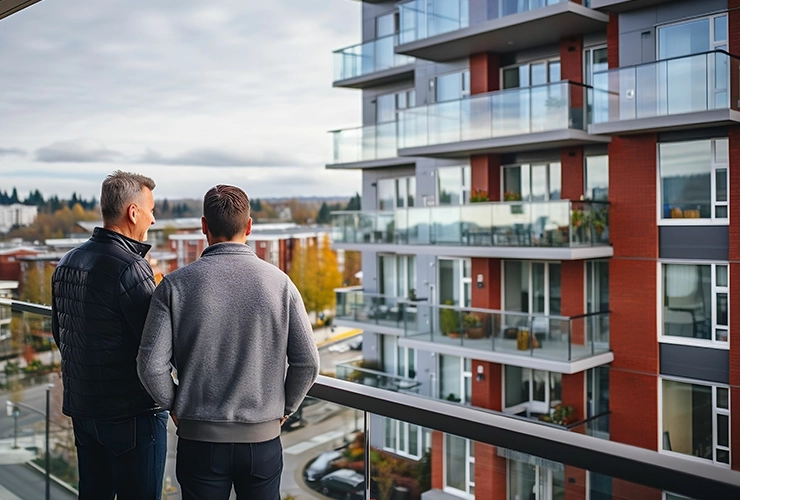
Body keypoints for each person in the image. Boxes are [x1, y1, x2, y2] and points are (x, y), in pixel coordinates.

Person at [137, 184, 320, 500]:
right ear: (249, 226)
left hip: (200, 441)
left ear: (204, 226)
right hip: (262, 442)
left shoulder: (173, 287)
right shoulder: (281, 285)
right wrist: (284, 409)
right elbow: (308, 363)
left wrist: (176, 404)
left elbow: (151, 366)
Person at [50, 170, 167, 499]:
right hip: (129, 415)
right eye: (151, 210)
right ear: (133, 212)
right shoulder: (130, 267)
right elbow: (154, 344)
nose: (153, 220)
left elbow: (61, 334)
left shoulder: (67, 262)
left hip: (84, 409)